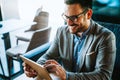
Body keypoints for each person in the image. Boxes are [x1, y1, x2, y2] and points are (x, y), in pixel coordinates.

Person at [23, 0, 116, 80]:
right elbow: (49, 55)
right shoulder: (61, 31)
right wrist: (36, 68)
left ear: (88, 14)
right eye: (66, 17)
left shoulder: (106, 37)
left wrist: (67, 76)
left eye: (74, 18)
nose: (69, 23)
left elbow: (103, 76)